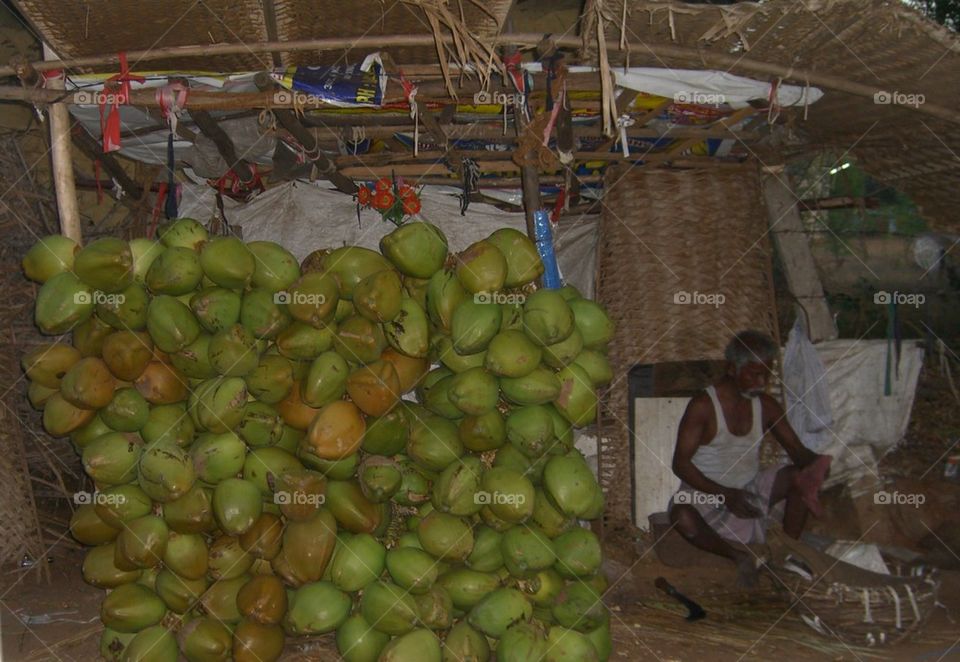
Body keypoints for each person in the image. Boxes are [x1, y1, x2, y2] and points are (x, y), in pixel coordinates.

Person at [668, 330, 832, 587]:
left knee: (795, 477)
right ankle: (740, 557)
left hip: (748, 490)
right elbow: (680, 464)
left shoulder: (765, 406)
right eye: (754, 374)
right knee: (681, 515)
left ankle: (785, 555)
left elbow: (797, 452)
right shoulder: (703, 406)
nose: (761, 382)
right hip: (705, 492)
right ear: (732, 369)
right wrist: (725, 494)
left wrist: (815, 466)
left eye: (766, 374)